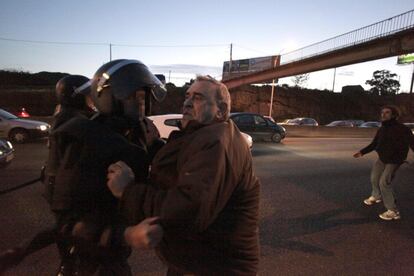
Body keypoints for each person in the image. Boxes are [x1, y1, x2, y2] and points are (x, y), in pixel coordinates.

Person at [107, 75, 260, 275]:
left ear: (220, 111)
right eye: (187, 96)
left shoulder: (216, 141)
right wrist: (154, 147)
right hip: (198, 262)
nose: (187, 103)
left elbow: (188, 210)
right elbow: (183, 166)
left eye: (198, 98)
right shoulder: (206, 134)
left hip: (215, 267)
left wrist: (128, 191)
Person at [49, 59, 166, 275]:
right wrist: (126, 235)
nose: (140, 102)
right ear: (107, 96)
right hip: (89, 261)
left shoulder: (142, 130)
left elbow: (159, 153)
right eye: (132, 96)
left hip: (118, 253)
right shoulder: (86, 140)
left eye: (142, 96)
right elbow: (66, 224)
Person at [354, 105, 414, 220]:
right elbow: (374, 144)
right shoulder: (382, 129)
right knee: (374, 178)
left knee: (384, 182)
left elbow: (412, 143)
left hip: (395, 160)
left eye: (387, 112)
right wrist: (362, 152)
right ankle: (376, 196)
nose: (383, 114)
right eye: (382, 112)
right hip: (382, 158)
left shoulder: (402, 129)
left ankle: (393, 211)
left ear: (394, 115)